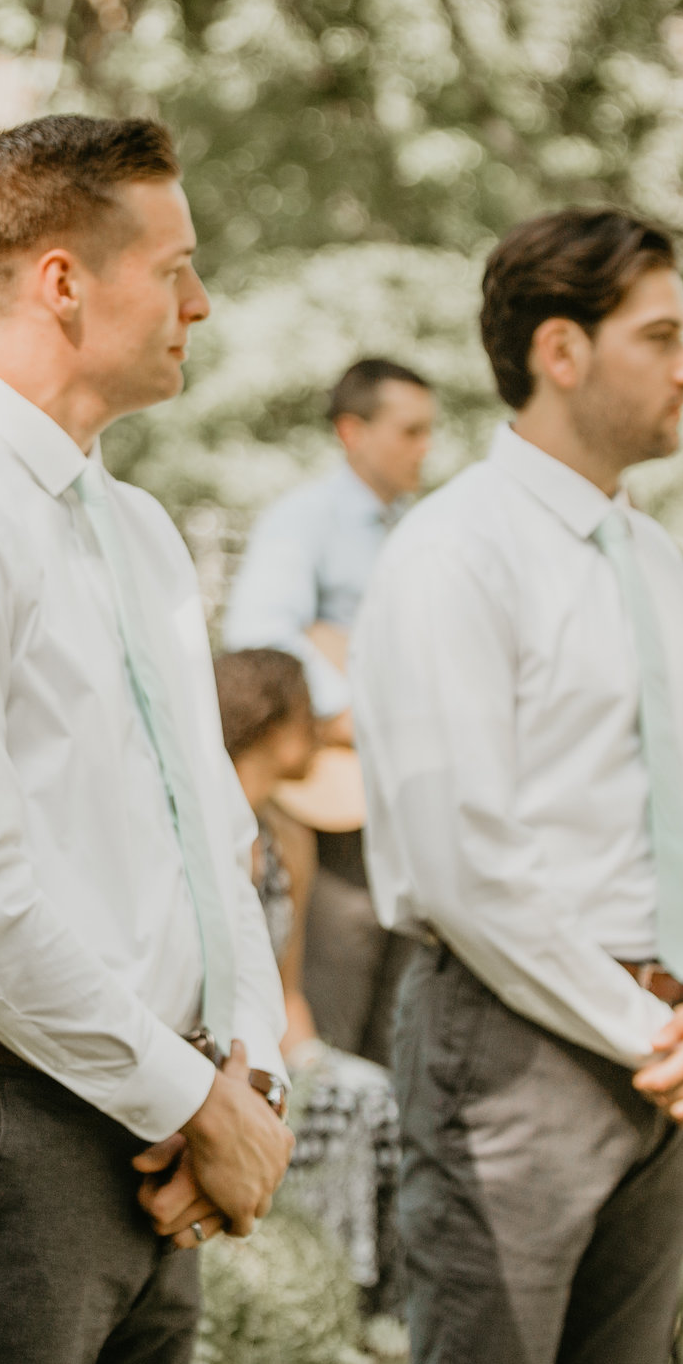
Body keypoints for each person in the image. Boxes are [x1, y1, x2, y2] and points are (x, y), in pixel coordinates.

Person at [0, 115, 295, 1364]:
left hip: (159, 1141)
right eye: (172, 269)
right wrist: (187, 1100)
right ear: (60, 281)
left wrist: (245, 1071)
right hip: (14, 1136)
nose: (198, 304)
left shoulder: (143, 531)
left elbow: (217, 835)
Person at [350, 207, 683, 1364]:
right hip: (512, 1049)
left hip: (665, 1037)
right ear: (561, 350)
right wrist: (668, 1044)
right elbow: (459, 865)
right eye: (661, 335)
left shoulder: (648, 557)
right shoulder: (453, 554)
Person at [223, 359, 438, 1064]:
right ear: (353, 431)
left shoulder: (424, 532)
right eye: (408, 430)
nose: (423, 447)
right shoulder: (303, 521)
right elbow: (262, 636)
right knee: (336, 1007)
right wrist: (356, 706)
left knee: (402, 1020)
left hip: (409, 805)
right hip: (337, 813)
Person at [214, 647, 403, 1306]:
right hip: (206, 1055)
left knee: (369, 1095)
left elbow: (286, 986)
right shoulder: (208, 823)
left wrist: (310, 1062)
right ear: (272, 721)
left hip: (270, 1045)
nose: (322, 729)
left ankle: (341, 1291)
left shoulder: (289, 836)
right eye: (308, 713)